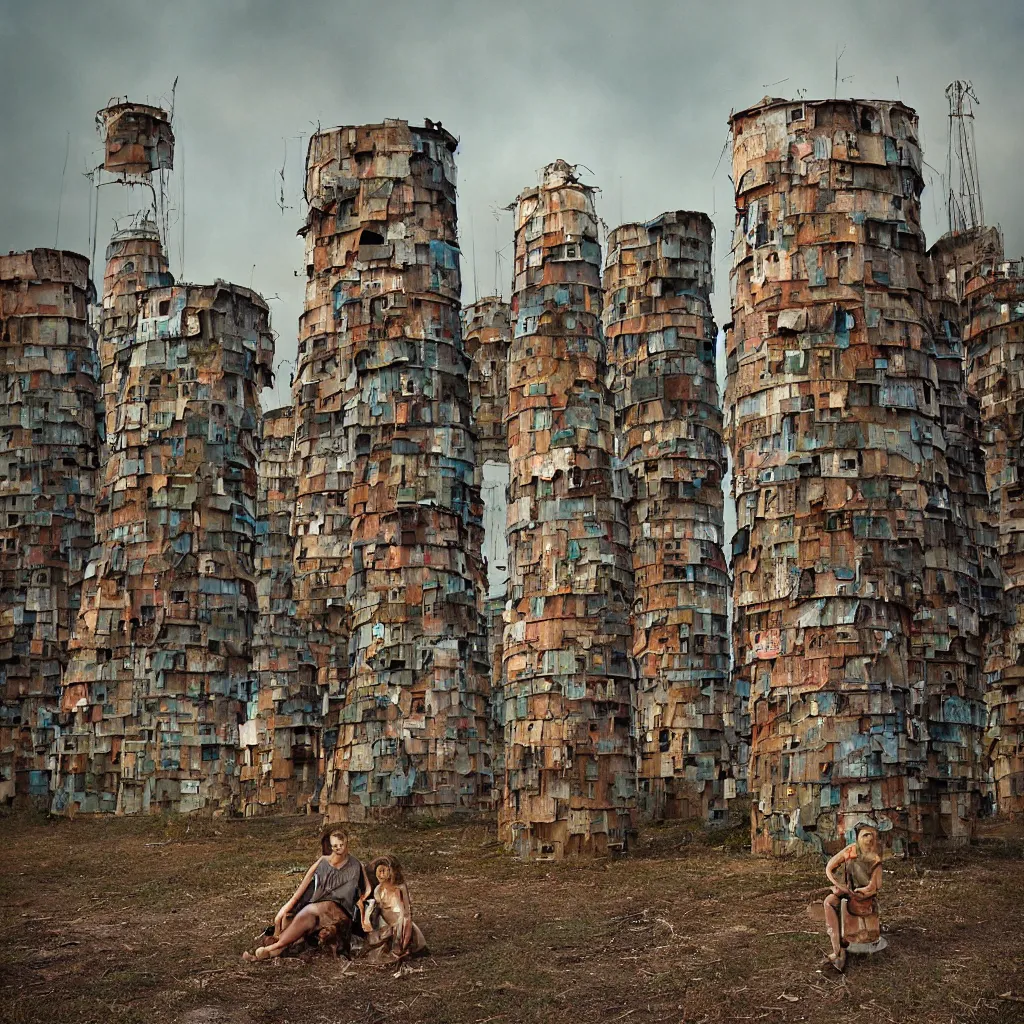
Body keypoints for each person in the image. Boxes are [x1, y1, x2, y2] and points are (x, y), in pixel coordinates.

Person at [243, 827, 371, 962]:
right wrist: (280, 915)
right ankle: (272, 952)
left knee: (317, 908)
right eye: (335, 845)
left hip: (340, 912)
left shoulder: (356, 865)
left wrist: (362, 904)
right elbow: (299, 892)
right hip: (316, 909)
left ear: (347, 843)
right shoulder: (322, 862)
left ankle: (272, 948)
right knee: (307, 917)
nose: (338, 848)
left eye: (341, 845)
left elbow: (367, 890)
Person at [822, 823, 883, 971]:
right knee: (829, 903)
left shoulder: (875, 859)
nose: (869, 839)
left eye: (872, 835)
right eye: (865, 835)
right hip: (847, 891)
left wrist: (862, 892)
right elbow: (829, 867)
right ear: (857, 838)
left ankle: (849, 946)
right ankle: (837, 949)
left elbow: (875, 886)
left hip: (864, 897)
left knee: (853, 915)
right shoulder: (850, 850)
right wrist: (839, 884)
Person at [360, 854, 426, 963]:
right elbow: (377, 912)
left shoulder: (399, 889)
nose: (380, 875)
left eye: (384, 871)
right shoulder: (378, 890)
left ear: (392, 872)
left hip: (401, 927)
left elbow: (406, 915)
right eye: (379, 871)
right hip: (385, 928)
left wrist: (402, 938)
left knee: (400, 943)